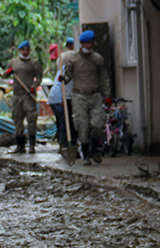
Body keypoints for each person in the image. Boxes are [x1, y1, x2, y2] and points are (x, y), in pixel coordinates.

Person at [63, 30, 111, 165]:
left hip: (95, 95)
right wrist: (63, 79)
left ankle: (94, 149)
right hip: (79, 96)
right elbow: (68, 77)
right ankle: (85, 156)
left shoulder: (97, 59)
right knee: (82, 127)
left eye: (91, 43)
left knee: (98, 124)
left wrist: (107, 96)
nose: (90, 45)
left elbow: (104, 78)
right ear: (82, 43)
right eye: (87, 43)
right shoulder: (73, 59)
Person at [5, 40, 42, 154]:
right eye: (23, 50)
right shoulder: (14, 62)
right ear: (20, 50)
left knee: (31, 119)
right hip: (17, 96)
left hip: (28, 96)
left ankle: (31, 146)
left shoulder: (34, 63)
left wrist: (33, 86)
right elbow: (5, 74)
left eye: (27, 50)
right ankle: (20, 146)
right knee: (17, 120)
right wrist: (9, 71)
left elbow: (39, 78)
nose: (25, 52)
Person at [48, 67, 74, 148]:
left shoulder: (67, 68)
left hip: (62, 97)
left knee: (65, 122)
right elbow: (64, 86)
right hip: (58, 98)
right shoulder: (66, 70)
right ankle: (64, 145)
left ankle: (64, 143)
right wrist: (63, 98)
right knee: (64, 121)